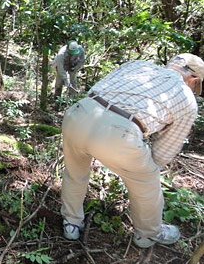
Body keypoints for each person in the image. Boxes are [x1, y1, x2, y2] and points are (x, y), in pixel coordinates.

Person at [60, 53, 204, 248]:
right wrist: (141, 166)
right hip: (119, 133)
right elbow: (163, 153)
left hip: (80, 112)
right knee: (147, 182)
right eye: (197, 87)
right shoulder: (187, 99)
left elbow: (100, 88)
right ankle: (147, 235)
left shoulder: (139, 65)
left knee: (75, 173)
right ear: (194, 80)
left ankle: (71, 223)